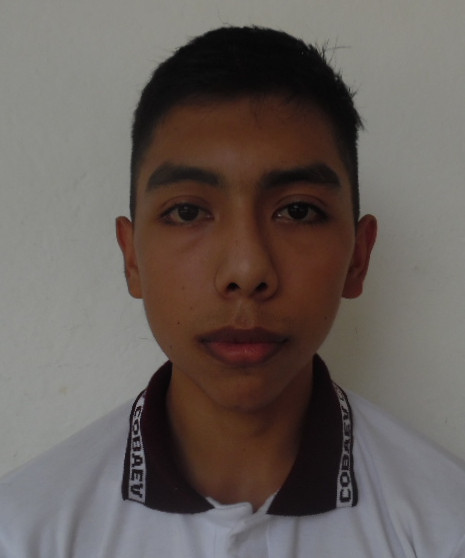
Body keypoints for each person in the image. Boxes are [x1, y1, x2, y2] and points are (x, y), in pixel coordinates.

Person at [1, 26, 464, 557]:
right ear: (132, 258)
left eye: (297, 211)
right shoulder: (23, 532)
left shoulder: (447, 527)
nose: (246, 270)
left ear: (358, 258)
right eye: (187, 212)